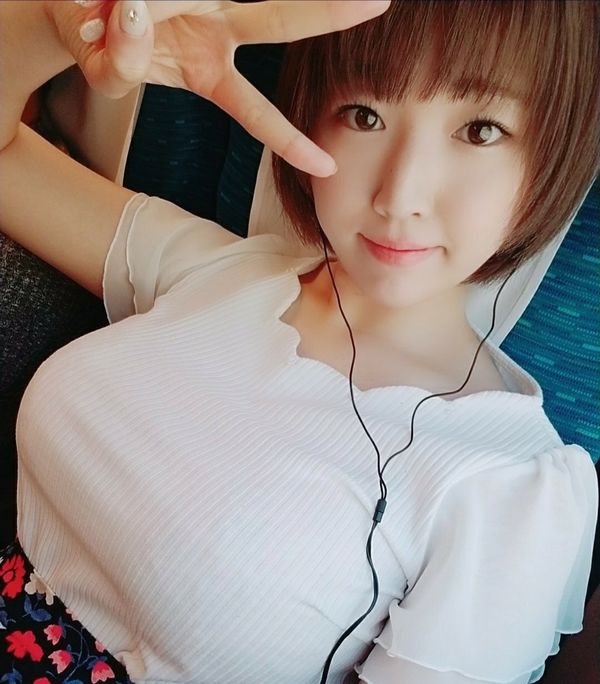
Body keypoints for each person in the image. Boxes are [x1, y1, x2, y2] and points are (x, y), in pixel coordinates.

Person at [1, 1, 599, 682]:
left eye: (480, 130)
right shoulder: (219, 271)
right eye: (364, 115)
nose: (400, 195)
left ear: (553, 151)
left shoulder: (513, 488)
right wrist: (60, 26)